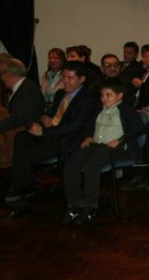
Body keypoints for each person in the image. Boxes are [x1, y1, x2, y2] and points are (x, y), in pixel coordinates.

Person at [4, 61, 98, 212]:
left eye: (70, 78)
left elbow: (76, 125)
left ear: (82, 79)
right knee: (21, 137)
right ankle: (22, 185)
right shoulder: (60, 93)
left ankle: (20, 188)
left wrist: (44, 132)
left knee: (26, 154)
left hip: (67, 138)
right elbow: (51, 115)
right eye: (64, 77)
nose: (65, 81)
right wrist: (43, 118)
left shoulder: (87, 98)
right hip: (52, 132)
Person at [62, 78, 144, 225]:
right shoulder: (100, 108)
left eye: (108, 95)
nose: (103, 98)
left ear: (119, 96)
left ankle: (90, 206)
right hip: (96, 145)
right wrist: (88, 136)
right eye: (102, 95)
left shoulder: (126, 109)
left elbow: (139, 128)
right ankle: (74, 204)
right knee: (71, 164)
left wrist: (121, 139)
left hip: (116, 148)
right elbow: (89, 124)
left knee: (91, 167)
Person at [0, 59, 45, 204]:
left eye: (2, 74)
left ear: (10, 74)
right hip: (12, 130)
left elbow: (19, 119)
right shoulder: (20, 88)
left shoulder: (29, 89)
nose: (1, 78)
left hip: (23, 134)